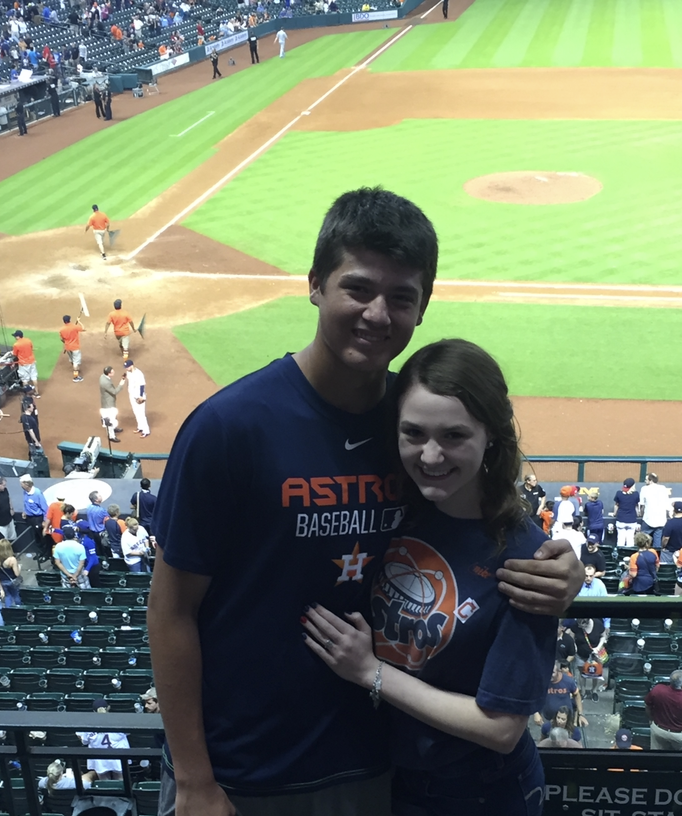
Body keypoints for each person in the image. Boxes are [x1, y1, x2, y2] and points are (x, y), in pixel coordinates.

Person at [148, 188, 583, 816]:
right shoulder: (231, 427)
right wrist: (192, 779)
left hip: (373, 765)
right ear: (316, 285)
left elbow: (482, 522)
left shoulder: (412, 428)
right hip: (241, 771)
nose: (378, 314)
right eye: (358, 288)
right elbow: (169, 610)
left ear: (422, 308)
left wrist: (561, 572)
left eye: (401, 297)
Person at [303, 339, 558, 813]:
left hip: (478, 793)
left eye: (455, 436)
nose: (432, 456)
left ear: (492, 436)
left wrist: (370, 672)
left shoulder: (526, 560)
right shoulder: (394, 507)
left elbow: (501, 729)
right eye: (414, 433)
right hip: (385, 777)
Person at [645, 670, 682, 751]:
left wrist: (651, 719)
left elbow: (647, 706)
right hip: (680, 736)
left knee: (656, 757)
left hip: (659, 730)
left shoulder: (657, 690)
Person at [78, 698, 131, 780]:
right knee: (121, 783)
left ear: (94, 711)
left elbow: (84, 741)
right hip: (118, 756)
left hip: (100, 759)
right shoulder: (118, 720)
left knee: (105, 784)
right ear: (108, 707)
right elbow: (129, 732)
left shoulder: (89, 723)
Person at [536, 664, 587, 730]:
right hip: (548, 719)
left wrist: (580, 714)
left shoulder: (568, 681)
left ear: (558, 671)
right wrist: (536, 713)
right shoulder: (542, 681)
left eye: (553, 673)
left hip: (566, 721)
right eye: (548, 672)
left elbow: (577, 695)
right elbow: (535, 696)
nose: (550, 675)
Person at [571, 617, 608, 702]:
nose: (580, 626)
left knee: (596, 673)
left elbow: (603, 636)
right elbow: (572, 637)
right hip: (581, 654)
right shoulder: (575, 625)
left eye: (582, 625)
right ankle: (583, 691)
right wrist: (574, 646)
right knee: (582, 674)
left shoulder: (597, 623)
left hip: (595, 654)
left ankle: (594, 691)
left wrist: (598, 648)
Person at [638, 473, 670, 552]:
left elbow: (641, 504)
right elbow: (667, 503)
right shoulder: (663, 488)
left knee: (643, 540)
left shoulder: (644, 488)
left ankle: (642, 556)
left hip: (649, 519)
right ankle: (656, 558)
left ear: (651, 481)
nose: (645, 481)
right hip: (661, 520)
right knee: (657, 543)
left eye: (646, 479)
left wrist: (640, 513)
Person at [19, 475, 48, 554]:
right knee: (36, 536)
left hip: (38, 519)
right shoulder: (25, 492)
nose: (20, 485)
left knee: (42, 537)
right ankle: (40, 552)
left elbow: (45, 508)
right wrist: (25, 511)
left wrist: (45, 521)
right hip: (30, 518)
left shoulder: (37, 493)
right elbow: (26, 503)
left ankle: (45, 554)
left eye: (21, 483)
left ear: (26, 484)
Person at [99, 366, 126, 443]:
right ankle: (111, 436)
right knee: (110, 420)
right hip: (108, 404)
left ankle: (114, 428)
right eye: (112, 372)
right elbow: (115, 392)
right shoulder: (106, 383)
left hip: (108, 401)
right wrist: (122, 382)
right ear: (108, 374)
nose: (114, 373)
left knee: (113, 418)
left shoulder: (102, 377)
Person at [123, 360, 150, 437]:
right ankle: (140, 427)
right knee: (136, 412)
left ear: (132, 366)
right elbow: (129, 381)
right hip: (132, 395)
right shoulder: (128, 372)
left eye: (127, 367)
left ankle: (146, 431)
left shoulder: (139, 374)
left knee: (141, 414)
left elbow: (142, 385)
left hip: (139, 396)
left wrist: (141, 396)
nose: (126, 369)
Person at [611, 478, 639, 547]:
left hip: (621, 520)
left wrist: (614, 514)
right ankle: (630, 555)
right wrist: (638, 514)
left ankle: (620, 556)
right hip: (632, 521)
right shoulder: (636, 494)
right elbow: (636, 507)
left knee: (620, 540)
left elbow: (616, 506)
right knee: (630, 540)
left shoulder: (619, 493)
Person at [12, 330, 39, 397]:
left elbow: (15, 354)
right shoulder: (28, 340)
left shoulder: (16, 344)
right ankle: (37, 392)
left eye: (15, 336)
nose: (15, 337)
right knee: (34, 377)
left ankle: (27, 394)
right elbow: (31, 348)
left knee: (25, 379)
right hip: (32, 361)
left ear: (18, 336)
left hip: (23, 364)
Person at [59, 314, 85, 382]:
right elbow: (83, 328)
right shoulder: (74, 327)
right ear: (69, 320)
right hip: (75, 347)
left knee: (72, 360)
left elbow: (62, 339)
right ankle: (76, 377)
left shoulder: (62, 329)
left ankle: (76, 369)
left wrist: (66, 342)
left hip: (68, 347)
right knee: (76, 362)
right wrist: (79, 321)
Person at [0, 539, 21, 606]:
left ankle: (8, 611)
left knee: (8, 596)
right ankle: (19, 609)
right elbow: (17, 574)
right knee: (16, 595)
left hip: (3, 582)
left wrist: (1, 589)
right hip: (12, 581)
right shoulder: (12, 559)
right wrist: (19, 567)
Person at [0, 478, 15, 542]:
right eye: (4, 485)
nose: (5, 487)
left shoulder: (5, 490)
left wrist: (11, 508)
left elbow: (9, 498)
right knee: (4, 541)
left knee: (13, 537)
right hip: (1, 524)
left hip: (9, 519)